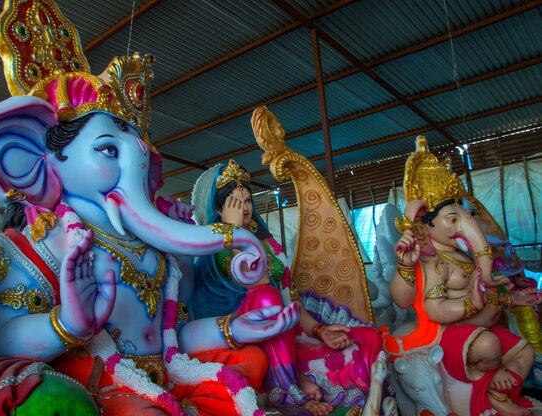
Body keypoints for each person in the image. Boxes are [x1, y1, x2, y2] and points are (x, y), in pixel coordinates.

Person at [191, 160, 382, 413]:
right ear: (219, 208)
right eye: (235, 202)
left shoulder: (268, 245)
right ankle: (288, 388)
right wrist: (233, 232)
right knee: (265, 297)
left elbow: (288, 301)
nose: (244, 208)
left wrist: (319, 330)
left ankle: (293, 374)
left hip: (284, 338)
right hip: (243, 338)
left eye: (247, 201)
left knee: (366, 338)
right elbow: (257, 283)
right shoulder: (214, 246)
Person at [387, 137, 541, 416]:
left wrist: (511, 299)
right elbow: (432, 308)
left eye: (464, 217)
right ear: (426, 222)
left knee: (526, 351)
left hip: (480, 327)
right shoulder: (434, 263)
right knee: (488, 344)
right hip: (450, 333)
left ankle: (496, 392)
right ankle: (489, 384)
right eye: (452, 220)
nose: (465, 226)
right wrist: (472, 303)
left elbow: (485, 290)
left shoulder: (463, 256)